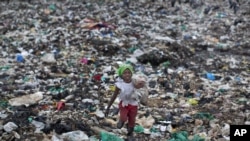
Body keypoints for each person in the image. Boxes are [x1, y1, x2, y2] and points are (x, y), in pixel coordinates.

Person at [105, 63, 145, 139]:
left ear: (131, 74)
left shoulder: (134, 82)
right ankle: (121, 121)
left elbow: (142, 87)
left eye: (129, 73)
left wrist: (141, 84)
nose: (127, 75)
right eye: (125, 73)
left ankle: (130, 133)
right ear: (121, 75)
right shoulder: (119, 84)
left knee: (132, 120)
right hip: (124, 103)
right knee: (123, 118)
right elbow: (114, 96)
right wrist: (108, 108)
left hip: (133, 104)